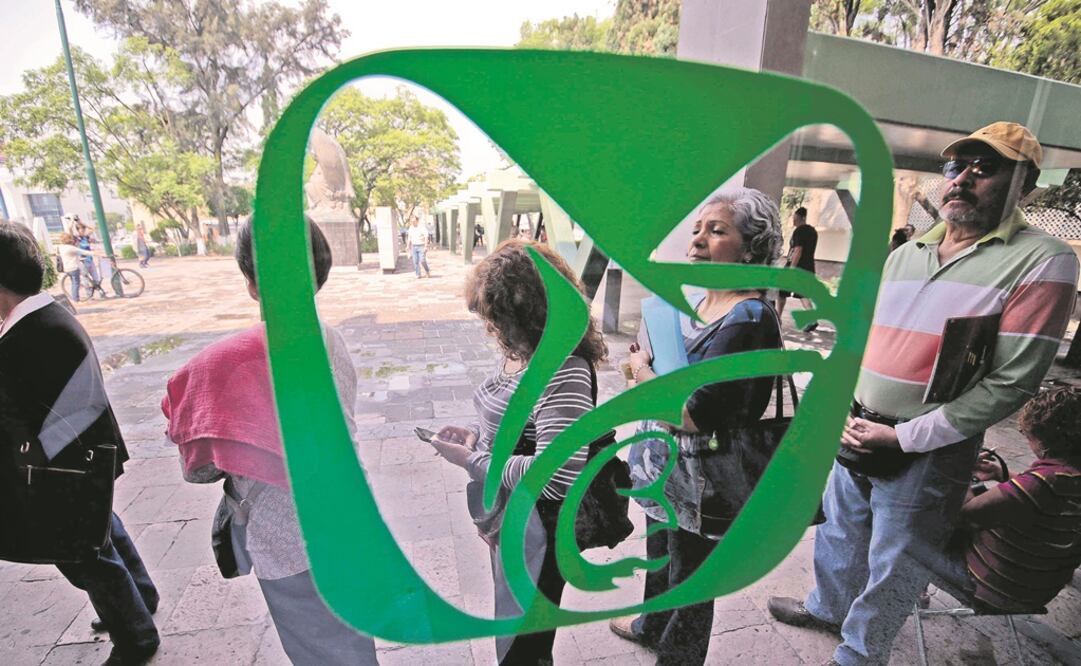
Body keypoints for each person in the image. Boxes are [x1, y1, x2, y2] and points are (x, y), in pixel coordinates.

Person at [767, 122, 1080, 666]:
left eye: (985, 168)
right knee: (841, 530)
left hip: (930, 447)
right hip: (859, 422)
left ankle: (862, 652)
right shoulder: (907, 252)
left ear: (1023, 182)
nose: (962, 178)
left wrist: (904, 437)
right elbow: (864, 338)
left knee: (902, 559)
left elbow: (1013, 380)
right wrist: (844, 404)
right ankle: (828, 607)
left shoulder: (1043, 259)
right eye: (956, 167)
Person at [162, 218, 378, 665]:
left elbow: (198, 469)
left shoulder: (223, 364)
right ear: (320, 273)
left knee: (320, 651)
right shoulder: (330, 340)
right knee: (353, 644)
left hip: (292, 540)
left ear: (250, 282)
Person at [609, 188, 785, 665]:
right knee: (660, 554)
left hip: (702, 480)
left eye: (717, 230)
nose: (697, 240)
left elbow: (692, 411)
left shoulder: (747, 317)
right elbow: (654, 377)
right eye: (696, 230)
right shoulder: (693, 301)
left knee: (690, 580)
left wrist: (643, 373)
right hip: (662, 465)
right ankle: (650, 624)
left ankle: (678, 657)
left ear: (751, 248)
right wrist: (641, 368)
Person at [430, 239, 607, 665]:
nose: (492, 329)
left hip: (539, 531)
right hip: (514, 521)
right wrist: (474, 433)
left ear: (525, 314)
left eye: (496, 318)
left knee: (524, 642)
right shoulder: (526, 353)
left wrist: (472, 461)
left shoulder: (564, 369)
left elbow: (556, 474)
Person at [0, 222, 160, 665]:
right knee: (100, 529)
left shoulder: (26, 336)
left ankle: (136, 637)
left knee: (82, 552)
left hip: (61, 465)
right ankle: (142, 596)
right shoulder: (47, 314)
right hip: (82, 455)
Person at [923, 387, 1081, 612]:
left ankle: (906, 592)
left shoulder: (1042, 483)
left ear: (1043, 439)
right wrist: (1000, 474)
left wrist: (964, 470)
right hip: (1036, 592)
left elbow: (961, 515)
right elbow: (1042, 492)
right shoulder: (1063, 477)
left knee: (910, 526)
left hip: (993, 590)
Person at [775, 206, 818, 332]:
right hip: (808, 268)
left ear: (802, 218)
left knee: (781, 291)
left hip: (796, 267)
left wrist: (792, 268)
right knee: (803, 294)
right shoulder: (813, 232)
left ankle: (778, 318)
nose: (794, 221)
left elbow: (798, 250)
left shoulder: (800, 231)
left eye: (796, 218)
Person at [58, 232, 104, 301]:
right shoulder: (70, 248)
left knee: (75, 283)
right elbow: (84, 252)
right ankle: (76, 299)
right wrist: (96, 253)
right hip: (73, 268)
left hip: (67, 268)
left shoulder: (61, 247)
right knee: (76, 284)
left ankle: (82, 293)